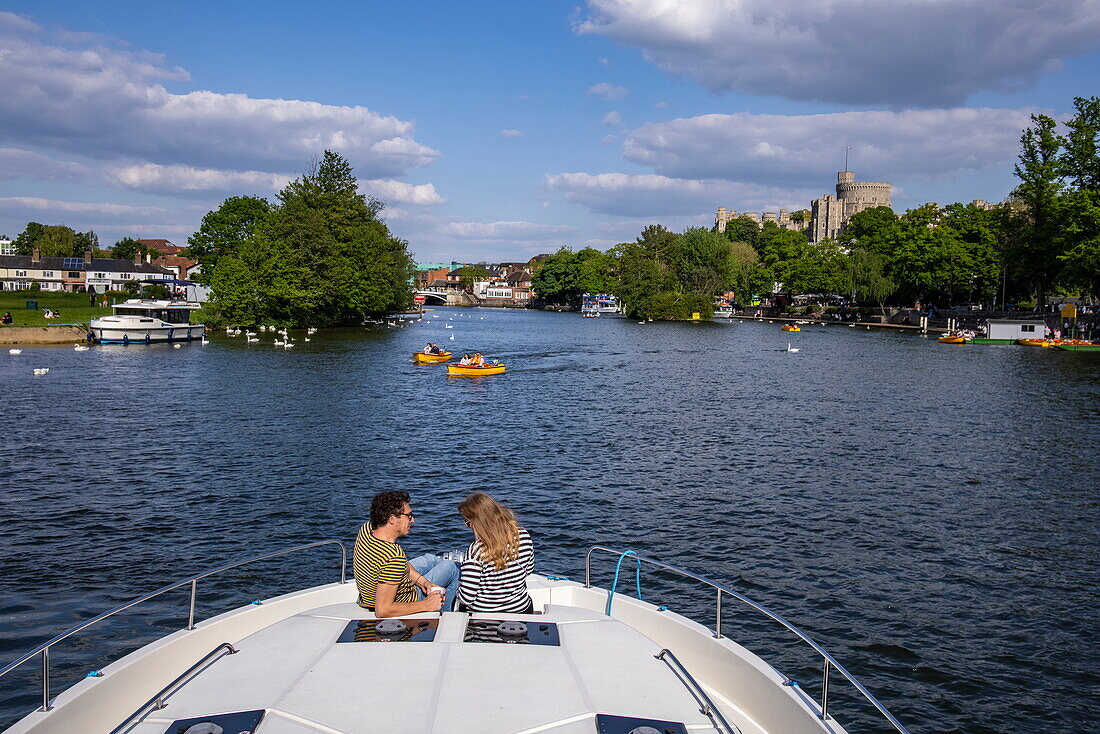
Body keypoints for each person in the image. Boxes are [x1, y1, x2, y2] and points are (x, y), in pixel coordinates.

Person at [352, 491, 459, 617]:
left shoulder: (367, 529)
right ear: (392, 519)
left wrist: (424, 582)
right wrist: (426, 604)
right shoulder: (393, 556)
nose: (413, 520)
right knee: (452, 568)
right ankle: (444, 617)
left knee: (430, 559)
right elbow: (382, 610)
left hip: (369, 595)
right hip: (407, 600)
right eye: (409, 515)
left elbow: (400, 566)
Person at [455, 492, 535, 613]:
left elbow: (467, 598)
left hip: (485, 616)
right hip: (521, 610)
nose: (468, 526)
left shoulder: (476, 551)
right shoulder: (523, 535)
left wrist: (454, 589)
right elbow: (528, 570)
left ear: (479, 522)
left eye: (467, 522)